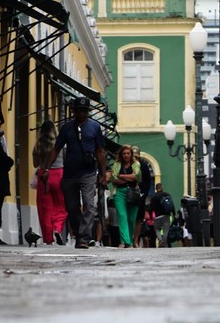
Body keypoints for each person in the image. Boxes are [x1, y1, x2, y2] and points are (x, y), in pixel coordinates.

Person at [41, 97, 108, 249]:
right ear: (73, 111)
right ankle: (79, 235)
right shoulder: (66, 128)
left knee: (90, 206)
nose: (81, 113)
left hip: (88, 173)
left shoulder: (95, 127)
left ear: (88, 112)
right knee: (72, 207)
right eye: (79, 110)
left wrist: (103, 174)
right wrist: (46, 169)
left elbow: (100, 151)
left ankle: (84, 237)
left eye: (84, 111)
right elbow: (56, 149)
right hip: (70, 174)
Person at [32, 120, 68, 245]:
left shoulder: (37, 145)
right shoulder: (60, 144)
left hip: (43, 176)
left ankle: (48, 239)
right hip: (58, 174)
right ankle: (57, 228)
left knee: (45, 208)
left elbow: (35, 164)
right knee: (62, 204)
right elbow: (66, 159)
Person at [109, 145, 141, 248]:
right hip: (119, 192)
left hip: (132, 192)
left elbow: (136, 177)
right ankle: (125, 242)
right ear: (121, 155)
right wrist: (129, 178)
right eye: (124, 154)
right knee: (122, 216)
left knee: (131, 219)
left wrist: (121, 176)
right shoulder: (117, 165)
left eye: (128, 153)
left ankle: (130, 241)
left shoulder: (136, 164)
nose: (126, 155)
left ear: (131, 154)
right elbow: (114, 179)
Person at [131, 145, 154, 247]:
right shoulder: (128, 164)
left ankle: (135, 240)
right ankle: (129, 238)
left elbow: (148, 181)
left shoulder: (143, 165)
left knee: (139, 219)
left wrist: (144, 194)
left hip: (140, 195)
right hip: (130, 194)